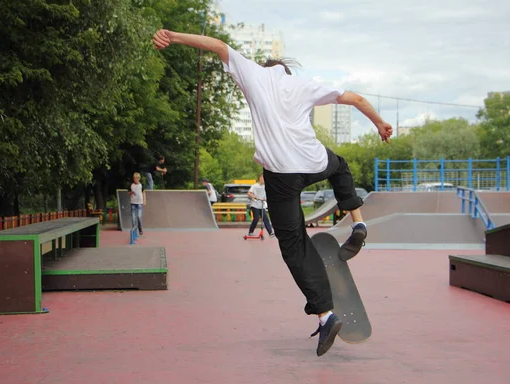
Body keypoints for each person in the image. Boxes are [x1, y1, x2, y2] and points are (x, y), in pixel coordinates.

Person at [152, 29, 392, 356]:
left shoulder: (252, 73)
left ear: (264, 67)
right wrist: (379, 124)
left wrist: (174, 37)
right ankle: (359, 222)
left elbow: (219, 46)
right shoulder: (305, 84)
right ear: (287, 71)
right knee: (341, 167)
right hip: (313, 160)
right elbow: (357, 99)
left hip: (280, 174)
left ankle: (325, 313)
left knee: (292, 244)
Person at [247, 173, 274, 238]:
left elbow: (267, 195)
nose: (264, 180)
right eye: (263, 178)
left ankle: (270, 232)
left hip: (262, 205)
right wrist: (255, 197)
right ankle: (251, 232)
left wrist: (266, 198)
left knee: (265, 219)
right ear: (260, 178)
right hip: (255, 205)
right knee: (256, 218)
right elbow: (249, 193)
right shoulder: (255, 186)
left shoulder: (265, 186)